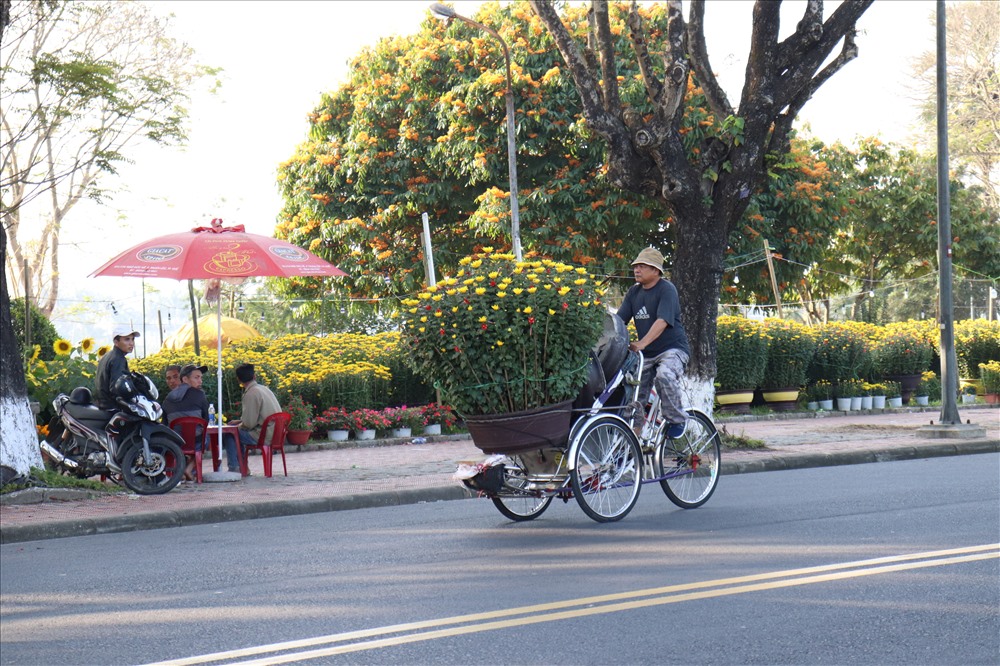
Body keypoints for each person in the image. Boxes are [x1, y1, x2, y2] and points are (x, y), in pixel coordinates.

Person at [616, 247, 690, 438]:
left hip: (672, 350)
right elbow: (619, 321)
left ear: (655, 270)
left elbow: (662, 321)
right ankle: (630, 443)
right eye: (635, 266)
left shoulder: (667, 289)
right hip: (646, 355)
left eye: (642, 266)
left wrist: (641, 343)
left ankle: (676, 419)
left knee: (664, 375)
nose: (636, 269)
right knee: (634, 396)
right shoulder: (634, 292)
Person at [162, 364, 242, 478]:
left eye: (201, 377)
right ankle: (190, 469)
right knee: (205, 438)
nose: (200, 381)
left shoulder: (167, 399)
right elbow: (206, 420)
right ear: (185, 379)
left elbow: (165, 424)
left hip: (175, 442)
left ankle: (181, 470)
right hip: (195, 441)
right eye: (196, 377)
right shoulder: (199, 395)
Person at [230, 363, 281, 454]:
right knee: (236, 431)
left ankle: (236, 466)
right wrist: (240, 421)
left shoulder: (251, 393)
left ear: (239, 380)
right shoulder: (264, 389)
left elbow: (249, 424)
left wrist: (237, 426)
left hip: (264, 436)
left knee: (230, 434)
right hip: (277, 434)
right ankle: (242, 466)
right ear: (254, 376)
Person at [94, 327, 139, 410]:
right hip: (112, 407)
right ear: (116, 342)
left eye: (132, 339)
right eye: (127, 339)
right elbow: (117, 387)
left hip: (102, 405)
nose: (131, 343)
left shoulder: (108, 355)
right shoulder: (118, 359)